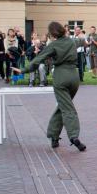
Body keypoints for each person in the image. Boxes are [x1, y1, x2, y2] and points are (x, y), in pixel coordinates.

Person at [13, 21, 86, 151]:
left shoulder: (53, 45)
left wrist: (23, 70)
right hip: (74, 77)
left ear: (52, 33)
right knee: (64, 105)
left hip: (61, 76)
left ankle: (74, 137)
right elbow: (83, 42)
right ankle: (54, 136)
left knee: (66, 108)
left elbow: (38, 59)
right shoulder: (71, 41)